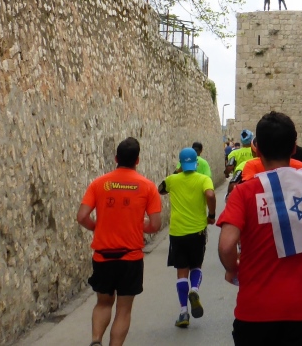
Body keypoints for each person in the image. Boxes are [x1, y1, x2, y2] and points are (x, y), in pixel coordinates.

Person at [217, 111, 302, 345]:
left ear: (257, 150)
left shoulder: (243, 192)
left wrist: (233, 268)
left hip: (254, 312)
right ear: (293, 148)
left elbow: (226, 245)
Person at [76, 137, 162, 346]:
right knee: (123, 310)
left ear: (116, 158)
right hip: (130, 257)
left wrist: (97, 227)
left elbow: (82, 216)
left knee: (103, 303)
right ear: (137, 160)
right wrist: (137, 224)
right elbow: (155, 224)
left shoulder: (99, 183)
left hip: (103, 256)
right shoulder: (148, 187)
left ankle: (96, 340)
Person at [159, 147, 216, 328]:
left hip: (177, 233)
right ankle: (195, 290)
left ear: (181, 163)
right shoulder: (204, 179)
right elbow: (210, 194)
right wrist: (211, 214)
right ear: (196, 163)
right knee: (196, 265)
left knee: (181, 271)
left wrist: (177, 172)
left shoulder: (172, 180)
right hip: (197, 231)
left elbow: (160, 189)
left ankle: (184, 312)